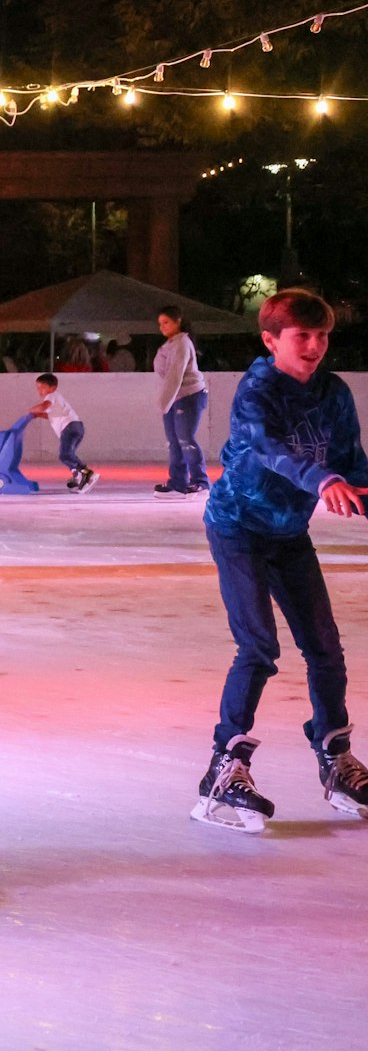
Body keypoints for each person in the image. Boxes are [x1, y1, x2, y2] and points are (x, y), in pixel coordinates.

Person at [191, 287, 368, 832]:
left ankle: (336, 759)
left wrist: (356, 487)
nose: (314, 346)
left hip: (289, 533)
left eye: (322, 336)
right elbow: (269, 448)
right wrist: (324, 481)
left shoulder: (334, 393)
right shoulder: (257, 390)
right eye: (302, 336)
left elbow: (351, 460)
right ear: (270, 340)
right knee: (259, 646)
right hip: (238, 530)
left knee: (324, 647)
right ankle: (225, 770)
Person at [155, 305, 209, 496]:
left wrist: (164, 402)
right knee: (174, 441)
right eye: (160, 324)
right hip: (175, 398)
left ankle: (200, 481)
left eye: (166, 322)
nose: (162, 327)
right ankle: (178, 482)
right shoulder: (170, 344)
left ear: (178, 321)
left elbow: (174, 375)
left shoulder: (182, 343)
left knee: (186, 439)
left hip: (189, 396)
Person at [31, 372, 98, 492]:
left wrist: (31, 410)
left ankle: (86, 473)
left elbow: (43, 406)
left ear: (52, 388)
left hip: (70, 427)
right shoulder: (56, 399)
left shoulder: (52, 396)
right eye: (38, 388)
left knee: (65, 455)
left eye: (42, 387)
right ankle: (78, 476)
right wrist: (39, 415)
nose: (40, 391)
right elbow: (52, 415)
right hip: (76, 427)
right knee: (69, 455)